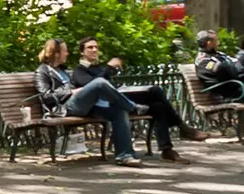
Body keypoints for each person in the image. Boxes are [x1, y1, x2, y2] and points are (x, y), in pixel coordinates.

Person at [70, 37, 206, 162]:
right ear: (82, 52)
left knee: (158, 104)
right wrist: (109, 67)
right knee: (155, 92)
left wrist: (108, 70)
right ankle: (183, 128)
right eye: (90, 47)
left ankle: (167, 150)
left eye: (96, 47)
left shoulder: (98, 68)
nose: (94, 50)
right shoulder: (79, 70)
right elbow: (95, 87)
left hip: (118, 98)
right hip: (106, 105)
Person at [36, 38, 144, 166]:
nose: (68, 54)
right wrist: (72, 92)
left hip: (84, 106)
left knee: (119, 111)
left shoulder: (62, 70)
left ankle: (124, 156)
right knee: (99, 83)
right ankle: (133, 107)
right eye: (65, 51)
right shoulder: (42, 71)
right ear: (56, 53)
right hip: (64, 108)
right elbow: (45, 96)